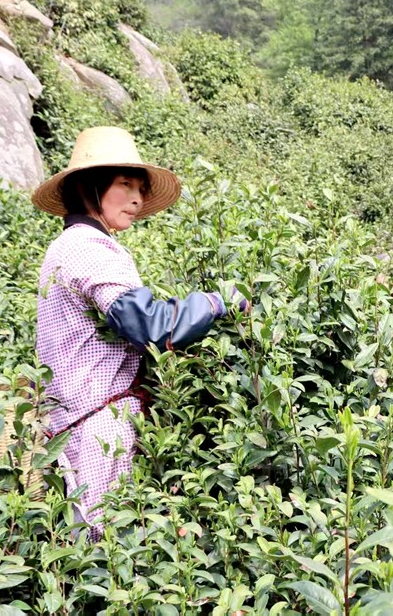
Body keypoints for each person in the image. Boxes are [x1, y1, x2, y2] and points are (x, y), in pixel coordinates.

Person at [32, 126, 245, 539]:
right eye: (125, 184)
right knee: (106, 548)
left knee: (91, 543)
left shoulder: (69, 245)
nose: (137, 199)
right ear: (90, 186)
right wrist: (217, 302)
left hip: (76, 425)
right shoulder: (88, 248)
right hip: (96, 429)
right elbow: (149, 325)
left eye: (141, 189)